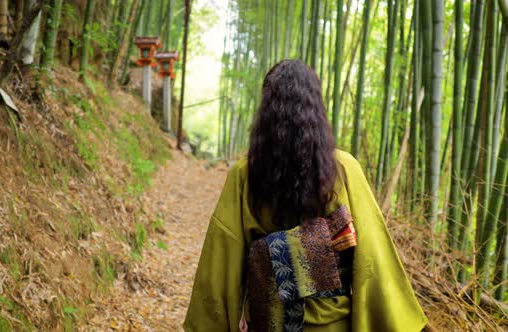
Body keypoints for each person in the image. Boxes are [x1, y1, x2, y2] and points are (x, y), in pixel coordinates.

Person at [183, 60, 427, 332]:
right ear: (317, 110)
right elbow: (373, 257)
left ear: (265, 111)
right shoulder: (344, 169)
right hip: (331, 324)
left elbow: (222, 260)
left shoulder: (244, 173)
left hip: (268, 323)